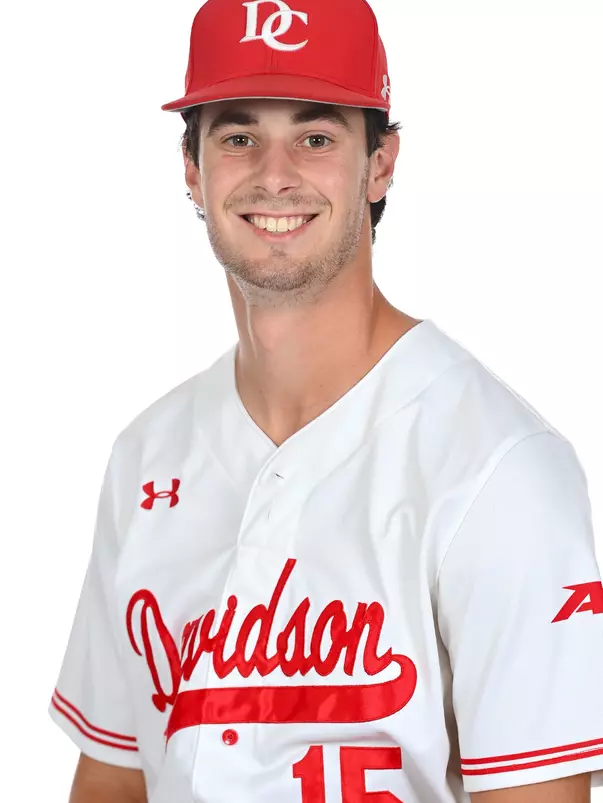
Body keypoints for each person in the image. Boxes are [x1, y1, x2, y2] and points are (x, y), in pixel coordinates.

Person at [49, 0, 603, 801]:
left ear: (379, 164)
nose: (274, 175)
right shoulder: (148, 452)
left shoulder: (498, 468)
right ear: (192, 171)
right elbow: (112, 775)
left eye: (316, 137)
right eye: (238, 136)